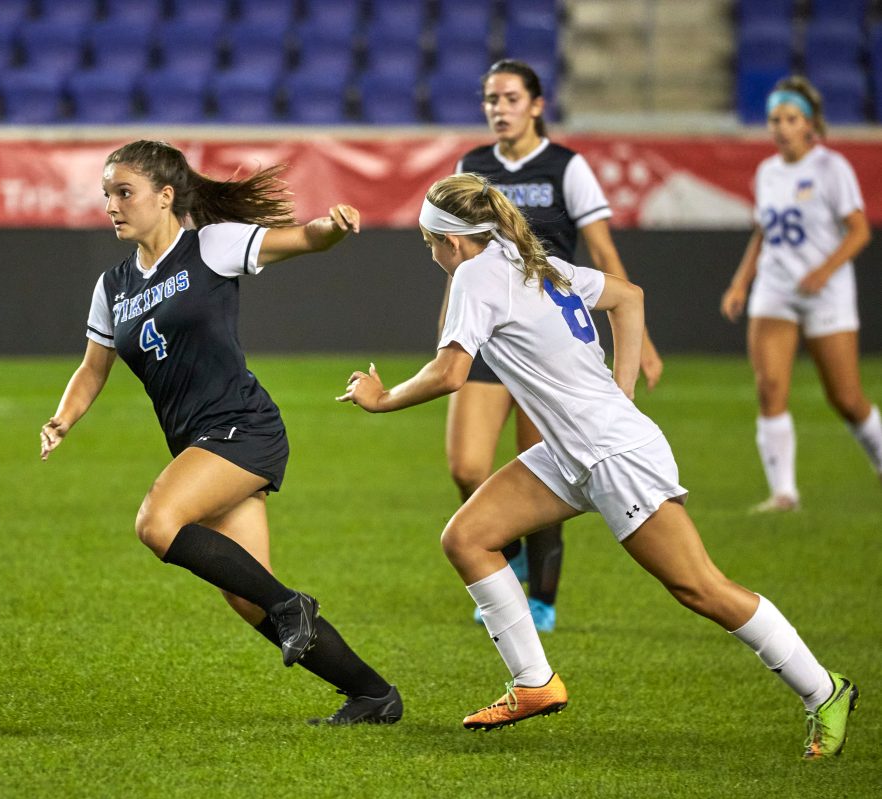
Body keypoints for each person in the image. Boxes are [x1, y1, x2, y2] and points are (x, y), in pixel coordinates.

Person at [337, 171, 857, 758]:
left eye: (428, 241)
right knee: (468, 538)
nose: (430, 252)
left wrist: (381, 400)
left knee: (700, 587)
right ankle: (534, 682)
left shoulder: (476, 274)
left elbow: (451, 373)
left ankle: (824, 689)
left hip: (613, 456)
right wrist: (622, 391)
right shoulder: (525, 257)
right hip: (575, 450)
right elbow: (628, 297)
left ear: (451, 241)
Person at [41, 140, 401, 726]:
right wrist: (63, 418)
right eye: (107, 193)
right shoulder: (113, 287)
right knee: (246, 596)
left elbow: (304, 239)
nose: (111, 204)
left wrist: (332, 227)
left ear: (164, 197)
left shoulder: (211, 245)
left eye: (124, 192)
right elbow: (93, 366)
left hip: (243, 427)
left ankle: (294, 606)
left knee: (156, 524)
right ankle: (372, 694)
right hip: (201, 444)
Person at [445, 59, 664, 631]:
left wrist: (643, 345)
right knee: (467, 465)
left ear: (537, 105)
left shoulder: (567, 167)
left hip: (549, 345)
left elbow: (604, 256)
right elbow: (457, 267)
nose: (499, 108)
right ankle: (504, 545)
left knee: (545, 468)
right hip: (489, 341)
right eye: (491, 98)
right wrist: (449, 333)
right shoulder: (473, 168)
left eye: (511, 98)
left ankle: (541, 597)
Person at [720, 76, 881, 510]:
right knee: (770, 386)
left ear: (809, 123)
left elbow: (859, 229)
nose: (781, 126)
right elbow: (763, 233)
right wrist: (741, 281)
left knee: (846, 398)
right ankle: (784, 493)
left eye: (791, 118)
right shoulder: (768, 172)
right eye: (775, 119)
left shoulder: (832, 168)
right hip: (776, 287)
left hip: (826, 293)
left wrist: (824, 270)